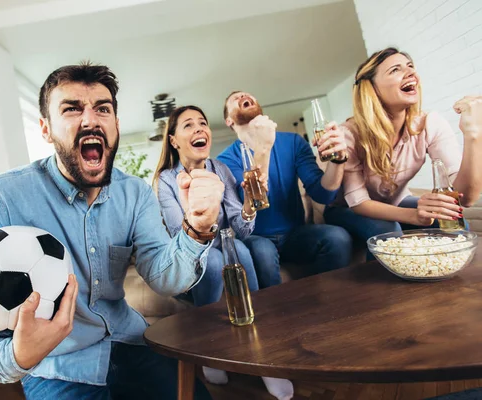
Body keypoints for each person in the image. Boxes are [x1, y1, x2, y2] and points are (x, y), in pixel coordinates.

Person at [0, 62, 224, 400]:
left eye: (102, 109)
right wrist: (14, 357)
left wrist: (197, 230)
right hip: (57, 364)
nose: (90, 120)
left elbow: (164, 279)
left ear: (116, 125)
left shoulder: (136, 194)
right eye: (72, 109)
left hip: (131, 341)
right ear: (46, 129)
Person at [153, 105, 292, 399]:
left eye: (202, 123)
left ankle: (263, 356)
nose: (199, 129)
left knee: (239, 248)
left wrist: (247, 205)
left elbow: (242, 231)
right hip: (190, 257)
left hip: (230, 246)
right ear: (174, 141)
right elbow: (182, 237)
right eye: (188, 125)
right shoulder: (166, 180)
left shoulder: (222, 170)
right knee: (216, 257)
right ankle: (211, 351)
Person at [323, 47, 482, 255]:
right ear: (372, 88)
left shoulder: (430, 123)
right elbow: (360, 203)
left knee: (456, 224)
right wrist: (415, 215)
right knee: (387, 231)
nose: (411, 73)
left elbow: (465, 198)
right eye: (395, 70)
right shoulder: (350, 134)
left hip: (395, 200)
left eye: (410, 66)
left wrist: (473, 136)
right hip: (345, 209)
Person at [218, 91, 353, 281]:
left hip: (295, 235)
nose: (243, 96)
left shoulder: (294, 142)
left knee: (338, 238)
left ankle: (327, 301)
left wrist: (338, 159)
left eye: (246, 95)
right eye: (235, 99)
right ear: (229, 121)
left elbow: (323, 194)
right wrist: (263, 148)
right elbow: (253, 202)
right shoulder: (224, 161)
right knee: (262, 252)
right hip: (256, 238)